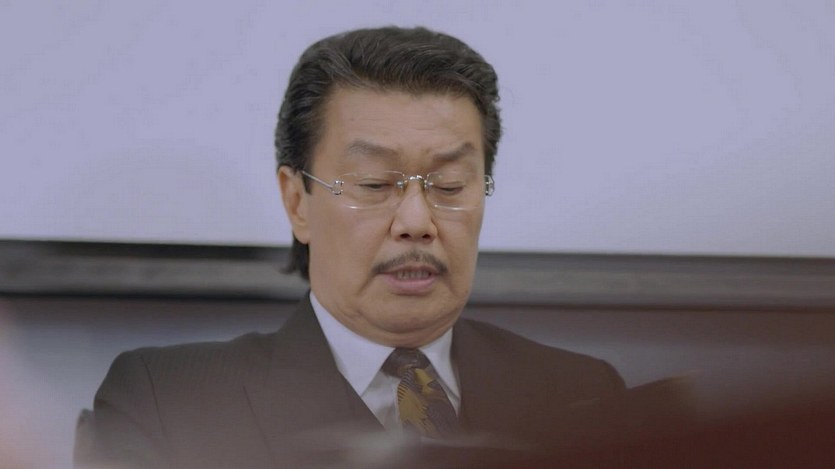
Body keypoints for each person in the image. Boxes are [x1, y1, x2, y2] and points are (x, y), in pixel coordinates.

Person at [77, 26, 626, 468]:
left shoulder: (580, 394)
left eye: (450, 185)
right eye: (373, 184)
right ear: (297, 201)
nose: (416, 222)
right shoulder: (171, 402)